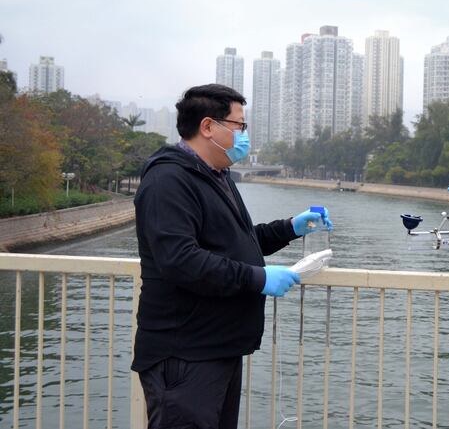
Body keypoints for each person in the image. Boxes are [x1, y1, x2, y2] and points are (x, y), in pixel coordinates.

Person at [132, 84, 332, 429]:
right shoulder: (169, 180)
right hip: (184, 352)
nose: (244, 135)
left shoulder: (216, 175)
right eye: (239, 126)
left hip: (217, 346)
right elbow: (182, 260)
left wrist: (290, 228)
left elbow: (237, 241)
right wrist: (260, 279)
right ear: (208, 127)